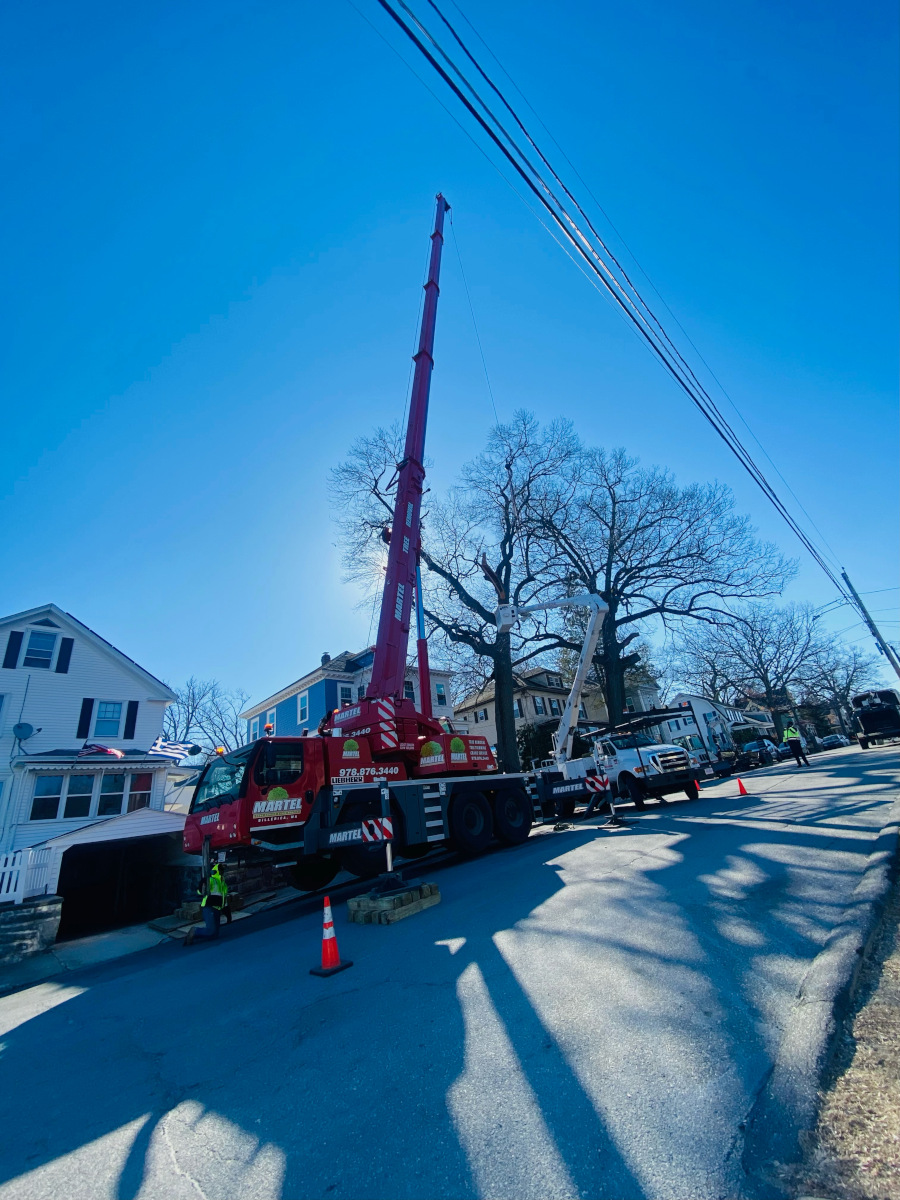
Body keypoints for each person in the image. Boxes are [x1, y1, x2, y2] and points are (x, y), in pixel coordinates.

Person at [183, 862, 231, 946]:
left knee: (214, 934)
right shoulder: (211, 880)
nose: (223, 871)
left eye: (223, 870)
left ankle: (196, 935)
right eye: (221, 869)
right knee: (211, 931)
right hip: (209, 908)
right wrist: (203, 887)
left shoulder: (223, 884)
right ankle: (194, 931)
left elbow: (224, 900)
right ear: (216, 870)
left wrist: (228, 915)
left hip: (217, 909)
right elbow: (200, 890)